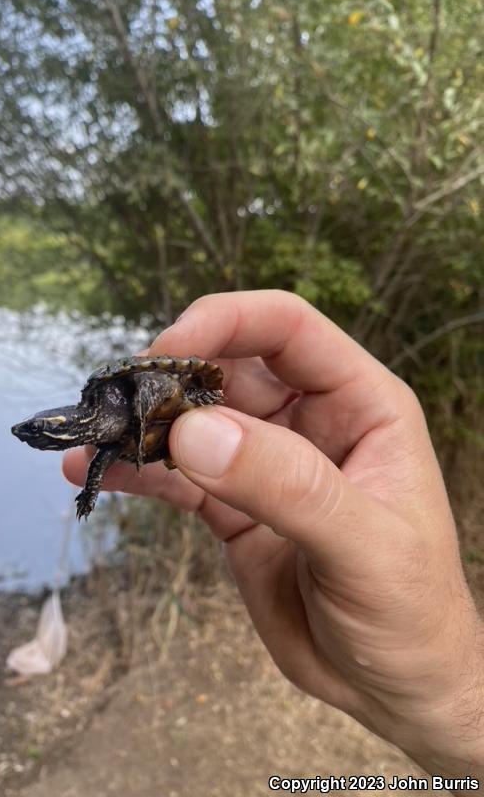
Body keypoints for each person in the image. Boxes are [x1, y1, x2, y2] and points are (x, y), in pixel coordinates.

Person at [63, 290, 483, 790]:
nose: (50, 434)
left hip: (177, 392)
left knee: (153, 398)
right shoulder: (105, 438)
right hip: (153, 432)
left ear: (71, 420)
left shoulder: (114, 397)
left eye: (50, 431)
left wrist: (455, 704)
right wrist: (457, 712)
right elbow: (103, 456)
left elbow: (147, 390)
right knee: (105, 456)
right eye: (46, 434)